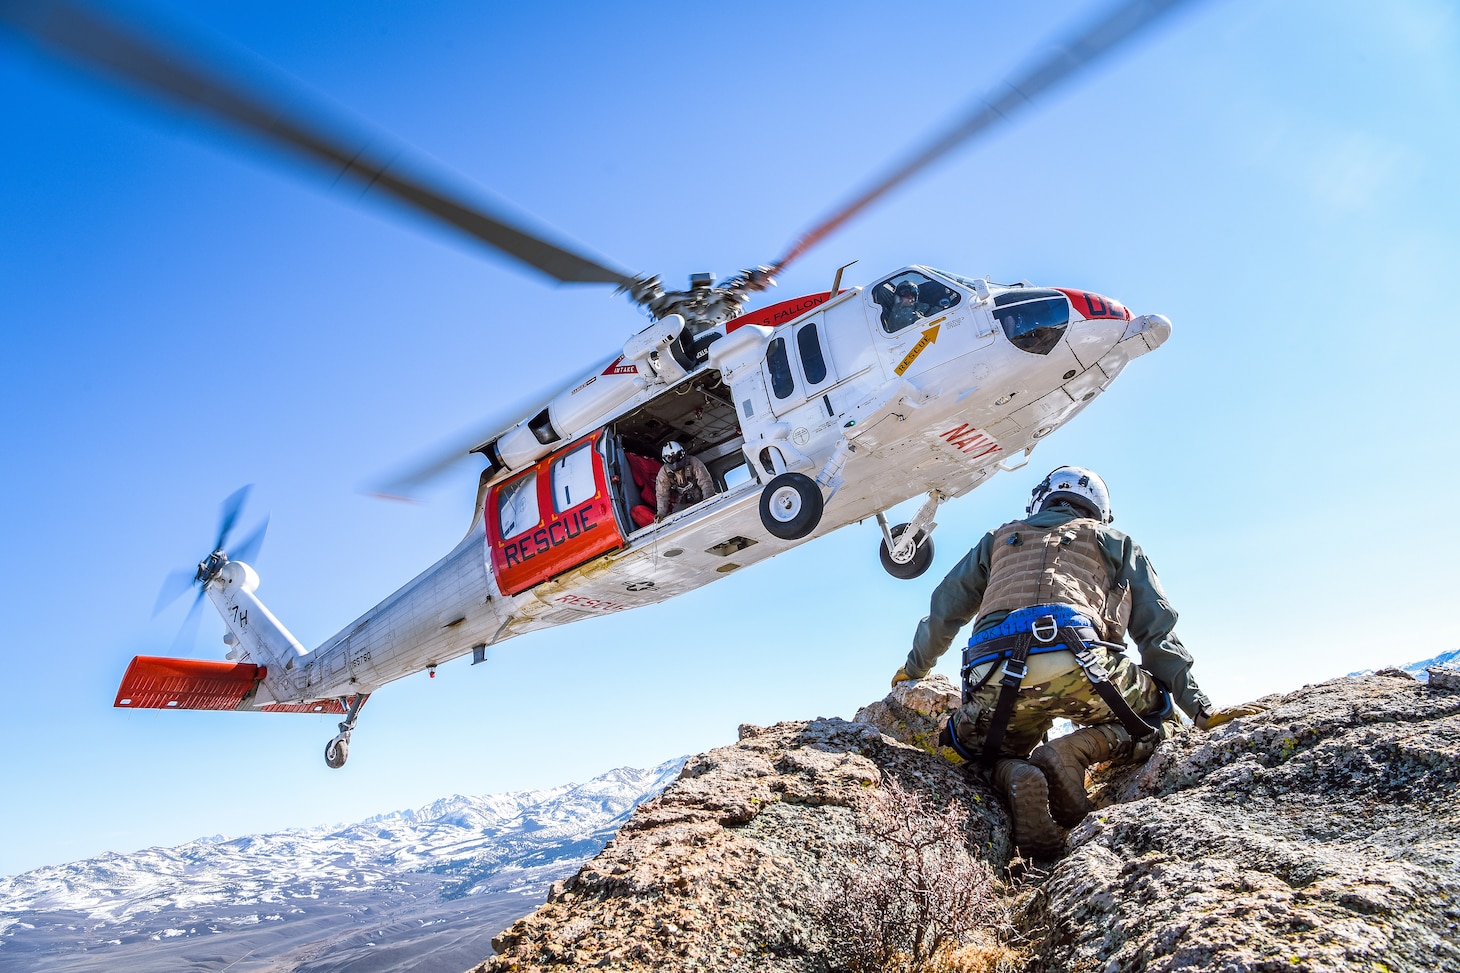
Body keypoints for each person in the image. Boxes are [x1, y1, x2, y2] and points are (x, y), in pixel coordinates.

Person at [891, 466, 1258, 858]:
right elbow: (1157, 632)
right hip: (1083, 663)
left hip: (993, 672)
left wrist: (914, 669)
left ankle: (1015, 771)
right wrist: (1200, 710)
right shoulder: (1114, 540)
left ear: (1042, 498)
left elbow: (945, 608)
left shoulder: (997, 539)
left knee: (976, 755)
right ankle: (1072, 752)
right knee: (1160, 718)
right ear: (1098, 509)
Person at [655, 441, 715, 521]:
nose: (675, 462)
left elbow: (705, 482)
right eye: (671, 459)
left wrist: (708, 501)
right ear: (665, 460)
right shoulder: (664, 472)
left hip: (700, 497)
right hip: (681, 502)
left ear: (683, 454)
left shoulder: (693, 462)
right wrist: (661, 513)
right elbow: (662, 494)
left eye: (677, 456)